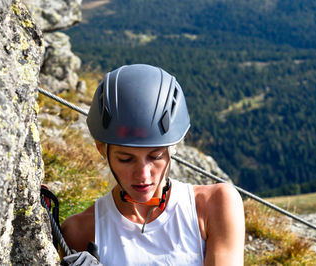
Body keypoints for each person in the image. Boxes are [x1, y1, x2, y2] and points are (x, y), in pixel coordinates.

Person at [61, 64, 245, 265]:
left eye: (155, 156)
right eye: (126, 159)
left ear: (173, 148)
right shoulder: (80, 231)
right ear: (101, 149)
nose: (143, 175)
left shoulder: (215, 204)